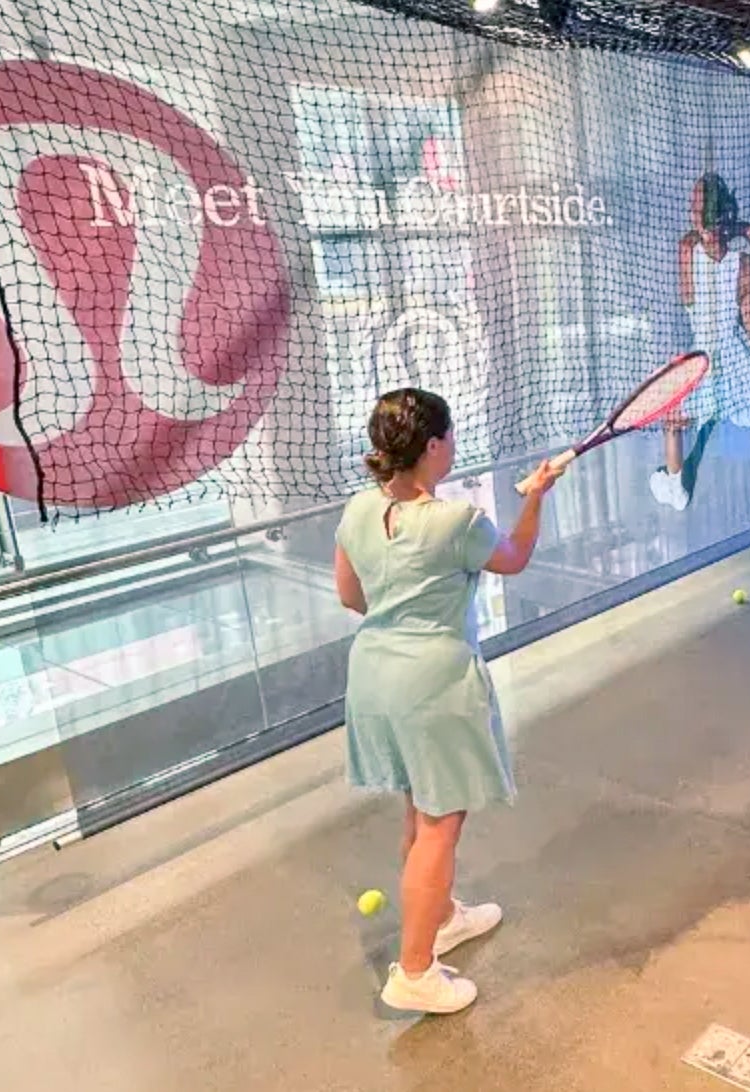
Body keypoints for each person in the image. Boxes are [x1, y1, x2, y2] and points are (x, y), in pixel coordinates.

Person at [333, 388, 564, 1015]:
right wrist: (537, 497)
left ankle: (440, 917)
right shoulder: (456, 520)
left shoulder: (357, 508)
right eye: (450, 438)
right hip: (433, 684)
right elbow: (512, 559)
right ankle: (413, 972)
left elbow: (351, 596)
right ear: (431, 446)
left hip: (375, 677)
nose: (454, 447)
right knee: (441, 823)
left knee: (420, 808)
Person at [651, 171, 750, 510]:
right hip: (736, 361)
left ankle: (676, 486)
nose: (692, 210)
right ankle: (738, 399)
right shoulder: (744, 261)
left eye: (695, 205)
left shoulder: (687, 249)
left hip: (703, 361)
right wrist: (747, 233)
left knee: (672, 418)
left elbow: (702, 235)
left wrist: (732, 227)